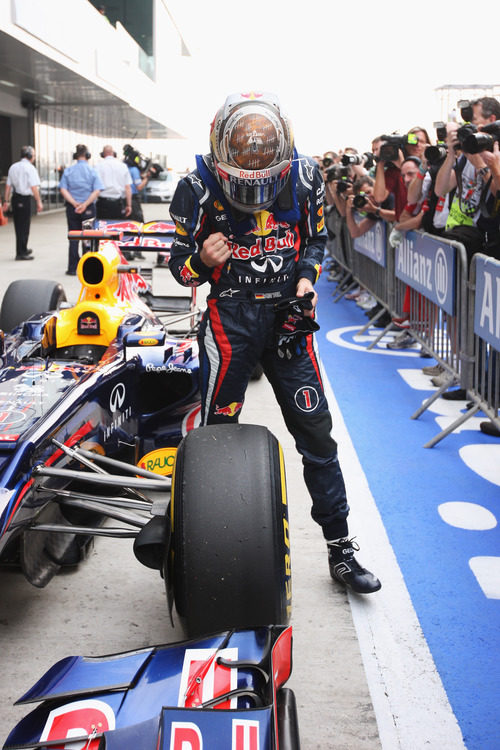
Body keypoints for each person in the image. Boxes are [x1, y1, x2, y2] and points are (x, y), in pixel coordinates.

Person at [168, 91, 381, 594]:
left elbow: (316, 240)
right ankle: (207, 548)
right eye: (247, 180)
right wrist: (201, 261)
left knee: (317, 437)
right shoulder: (195, 186)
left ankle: (341, 548)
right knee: (215, 438)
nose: (258, 192)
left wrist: (307, 277)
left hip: (288, 320)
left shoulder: (306, 176)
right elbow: (178, 266)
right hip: (230, 321)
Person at [59, 144, 104, 275]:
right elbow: (97, 190)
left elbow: (63, 189)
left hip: (72, 208)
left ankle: (72, 268)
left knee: (73, 237)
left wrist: (74, 203)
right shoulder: (92, 171)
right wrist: (85, 205)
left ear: (75, 156)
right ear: (88, 156)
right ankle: (87, 269)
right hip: (88, 207)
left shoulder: (68, 171)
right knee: (88, 237)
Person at [2, 145, 43, 260]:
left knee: (18, 225)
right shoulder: (30, 168)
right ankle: (21, 253)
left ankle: (22, 248)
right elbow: (34, 187)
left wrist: (6, 201)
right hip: (24, 200)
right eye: (33, 155)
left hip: (16, 199)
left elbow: (8, 186)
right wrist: (38, 201)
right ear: (29, 156)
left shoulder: (13, 167)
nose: (34, 157)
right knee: (24, 226)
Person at [94, 145, 132, 220]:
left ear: (102, 154)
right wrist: (129, 205)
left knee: (102, 228)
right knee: (117, 227)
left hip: (102, 203)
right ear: (113, 153)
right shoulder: (123, 166)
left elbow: (95, 187)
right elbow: (127, 188)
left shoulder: (97, 166)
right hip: (117, 203)